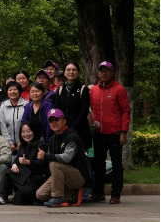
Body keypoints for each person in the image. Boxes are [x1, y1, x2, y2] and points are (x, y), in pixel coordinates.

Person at [89, 61, 130, 204]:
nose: (104, 73)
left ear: (112, 73)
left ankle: (116, 194)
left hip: (115, 133)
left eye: (107, 70)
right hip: (98, 133)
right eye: (101, 70)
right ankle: (98, 192)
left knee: (117, 164)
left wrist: (124, 132)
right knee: (98, 164)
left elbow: (125, 111)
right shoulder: (93, 90)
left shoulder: (119, 89)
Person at [36, 109, 90, 207]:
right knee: (40, 195)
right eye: (51, 121)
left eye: (56, 119)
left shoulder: (72, 136)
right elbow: (51, 160)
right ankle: (71, 194)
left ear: (64, 121)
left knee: (54, 164)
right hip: (61, 175)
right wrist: (53, 175)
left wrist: (46, 156)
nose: (54, 123)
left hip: (78, 175)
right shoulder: (52, 139)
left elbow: (66, 158)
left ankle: (58, 198)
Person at [6, 123, 49, 205]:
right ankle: (26, 192)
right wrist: (14, 165)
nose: (26, 134)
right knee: (9, 171)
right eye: (23, 132)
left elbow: (41, 164)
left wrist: (28, 162)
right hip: (25, 177)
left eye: (28, 131)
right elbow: (17, 160)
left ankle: (33, 194)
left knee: (18, 200)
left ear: (33, 131)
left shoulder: (40, 145)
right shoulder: (22, 146)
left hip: (36, 177)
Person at [57, 62, 92, 161]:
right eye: (68, 69)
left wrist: (71, 128)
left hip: (80, 131)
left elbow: (84, 111)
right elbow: (57, 110)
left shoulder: (83, 89)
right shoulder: (60, 90)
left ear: (78, 73)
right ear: (64, 72)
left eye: (74, 70)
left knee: (82, 161)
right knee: (65, 160)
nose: (71, 72)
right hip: (63, 131)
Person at [0, 81, 28, 153]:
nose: (12, 92)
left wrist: (21, 141)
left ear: (19, 91)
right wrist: (9, 143)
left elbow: (28, 124)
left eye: (15, 89)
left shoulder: (26, 105)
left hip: (24, 142)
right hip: (7, 144)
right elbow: (2, 126)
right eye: (10, 90)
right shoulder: (3, 106)